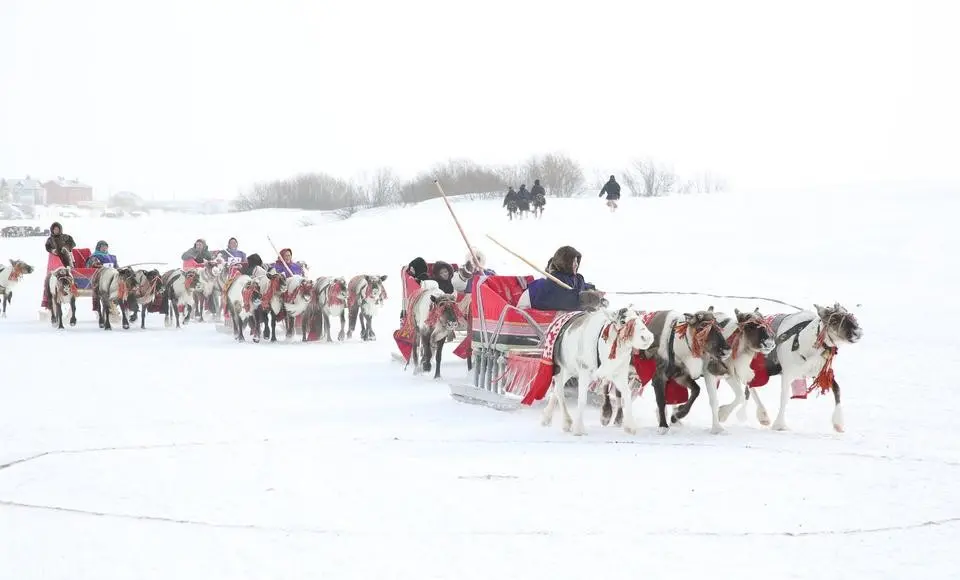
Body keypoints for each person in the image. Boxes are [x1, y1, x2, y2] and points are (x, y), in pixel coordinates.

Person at [526, 246, 603, 311]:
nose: (576, 264)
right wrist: (583, 300)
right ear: (565, 263)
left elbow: (581, 286)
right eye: (573, 262)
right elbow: (560, 299)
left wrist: (593, 290)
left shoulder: (576, 278)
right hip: (531, 297)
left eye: (577, 261)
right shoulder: (554, 281)